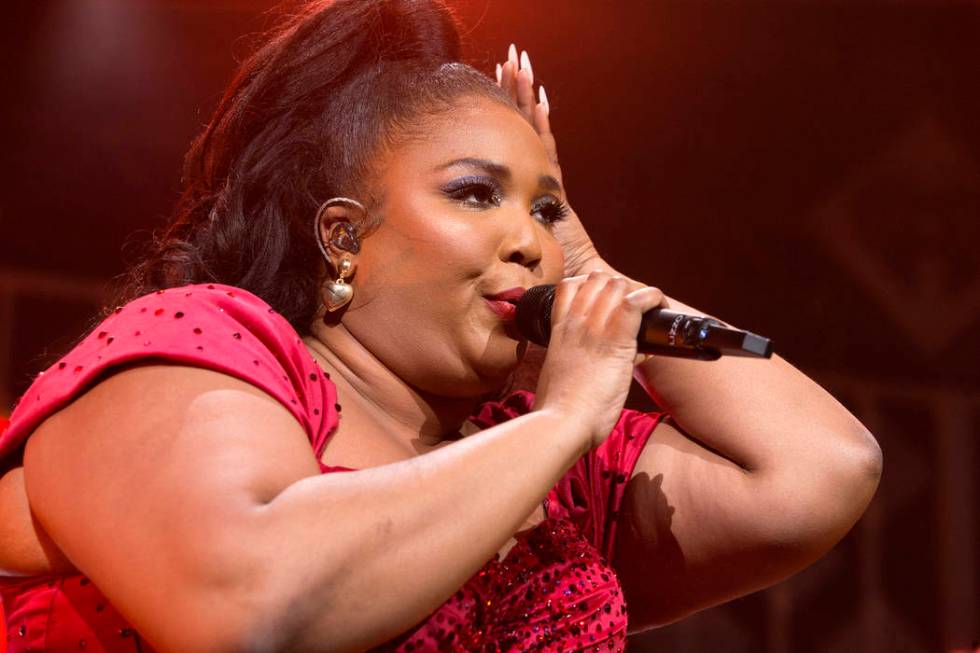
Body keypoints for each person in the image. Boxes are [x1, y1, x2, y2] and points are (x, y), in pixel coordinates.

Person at [0, 1, 883, 651]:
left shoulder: (530, 460)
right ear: (343, 236)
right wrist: (563, 420)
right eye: (475, 193)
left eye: (547, 209)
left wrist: (586, 267)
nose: (528, 242)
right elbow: (246, 610)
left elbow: (819, 472)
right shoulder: (208, 343)